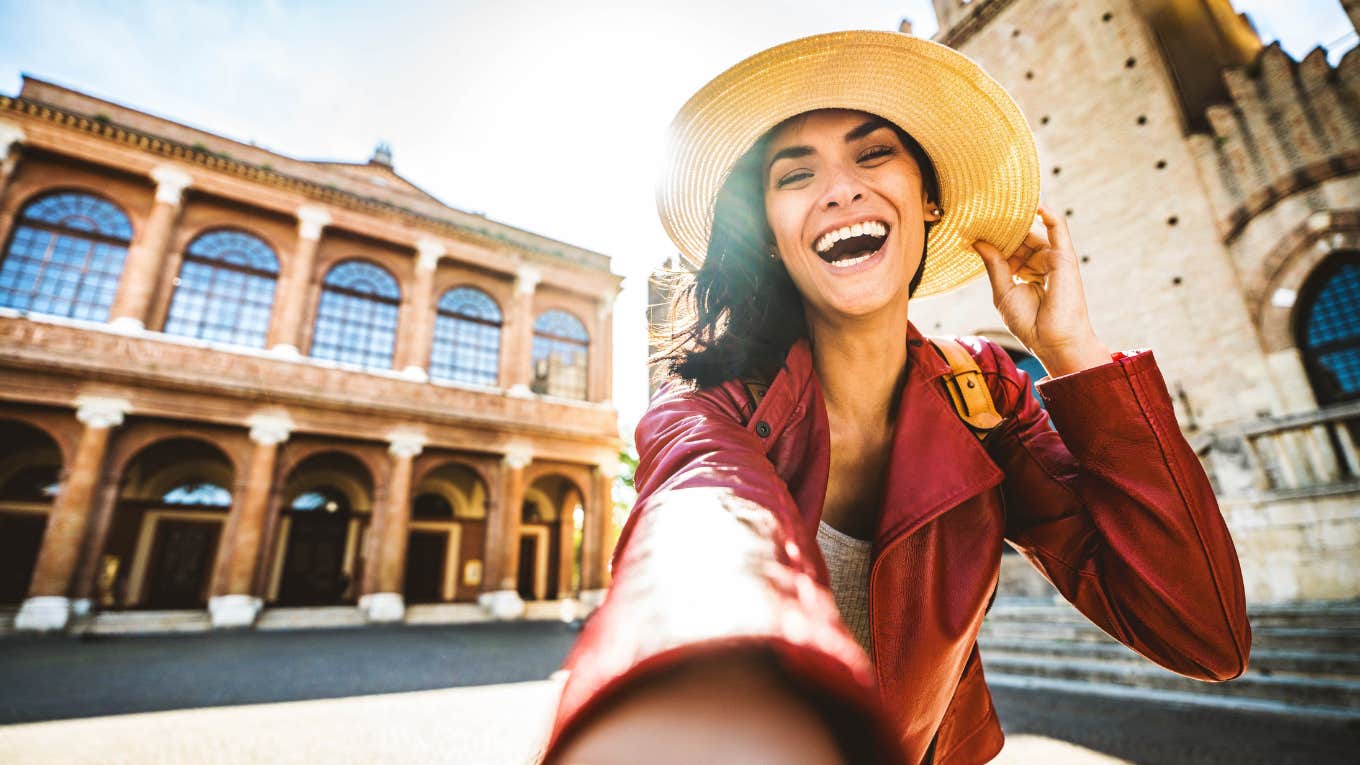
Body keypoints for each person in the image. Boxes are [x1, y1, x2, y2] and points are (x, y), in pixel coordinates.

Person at [544, 31, 1251, 764]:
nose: (841, 187)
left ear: (931, 199)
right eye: (794, 175)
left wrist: (1073, 353)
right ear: (769, 238)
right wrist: (700, 680)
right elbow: (700, 533)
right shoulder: (703, 406)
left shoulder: (986, 397)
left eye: (874, 153)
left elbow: (1202, 632)